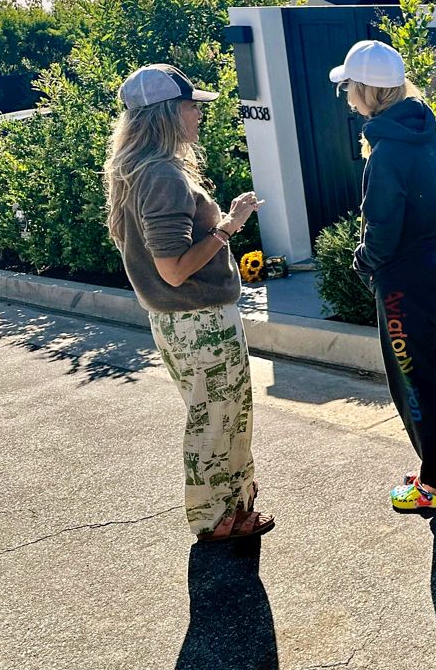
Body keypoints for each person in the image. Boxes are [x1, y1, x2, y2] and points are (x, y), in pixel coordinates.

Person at [104, 63, 274, 542]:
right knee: (215, 422)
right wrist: (229, 226)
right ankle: (216, 519)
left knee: (222, 416)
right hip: (200, 323)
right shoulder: (161, 175)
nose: (198, 114)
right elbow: (174, 269)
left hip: (181, 322)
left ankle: (233, 505)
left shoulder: (137, 170)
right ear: (165, 115)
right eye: (189, 106)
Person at [330, 40, 436, 510]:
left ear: (365, 90)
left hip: (403, 283)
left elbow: (382, 232)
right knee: (432, 370)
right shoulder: (425, 128)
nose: (347, 95)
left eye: (349, 87)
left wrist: (362, 262)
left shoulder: (386, 152)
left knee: (413, 381)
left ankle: (435, 486)